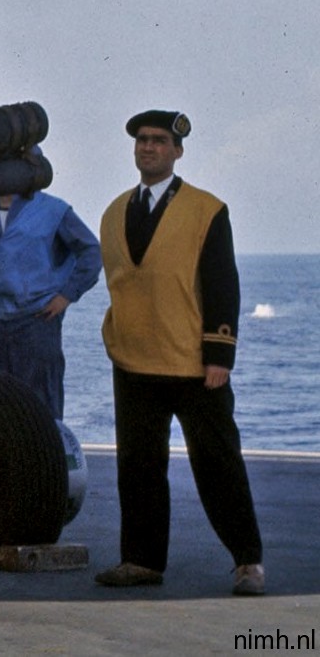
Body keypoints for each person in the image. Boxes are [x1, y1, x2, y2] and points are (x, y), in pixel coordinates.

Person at [93, 109, 264, 597]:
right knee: (138, 467)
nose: (149, 148)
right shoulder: (113, 212)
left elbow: (222, 285)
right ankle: (141, 560)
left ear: (178, 151)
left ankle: (248, 562)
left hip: (193, 364)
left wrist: (220, 356)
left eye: (159, 141)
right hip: (133, 360)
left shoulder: (207, 210)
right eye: (143, 141)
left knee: (218, 465)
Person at [0, 185, 101, 419]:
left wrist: (67, 295)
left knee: (40, 408)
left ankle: (43, 454)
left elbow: (91, 252)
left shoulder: (52, 210)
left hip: (36, 322)